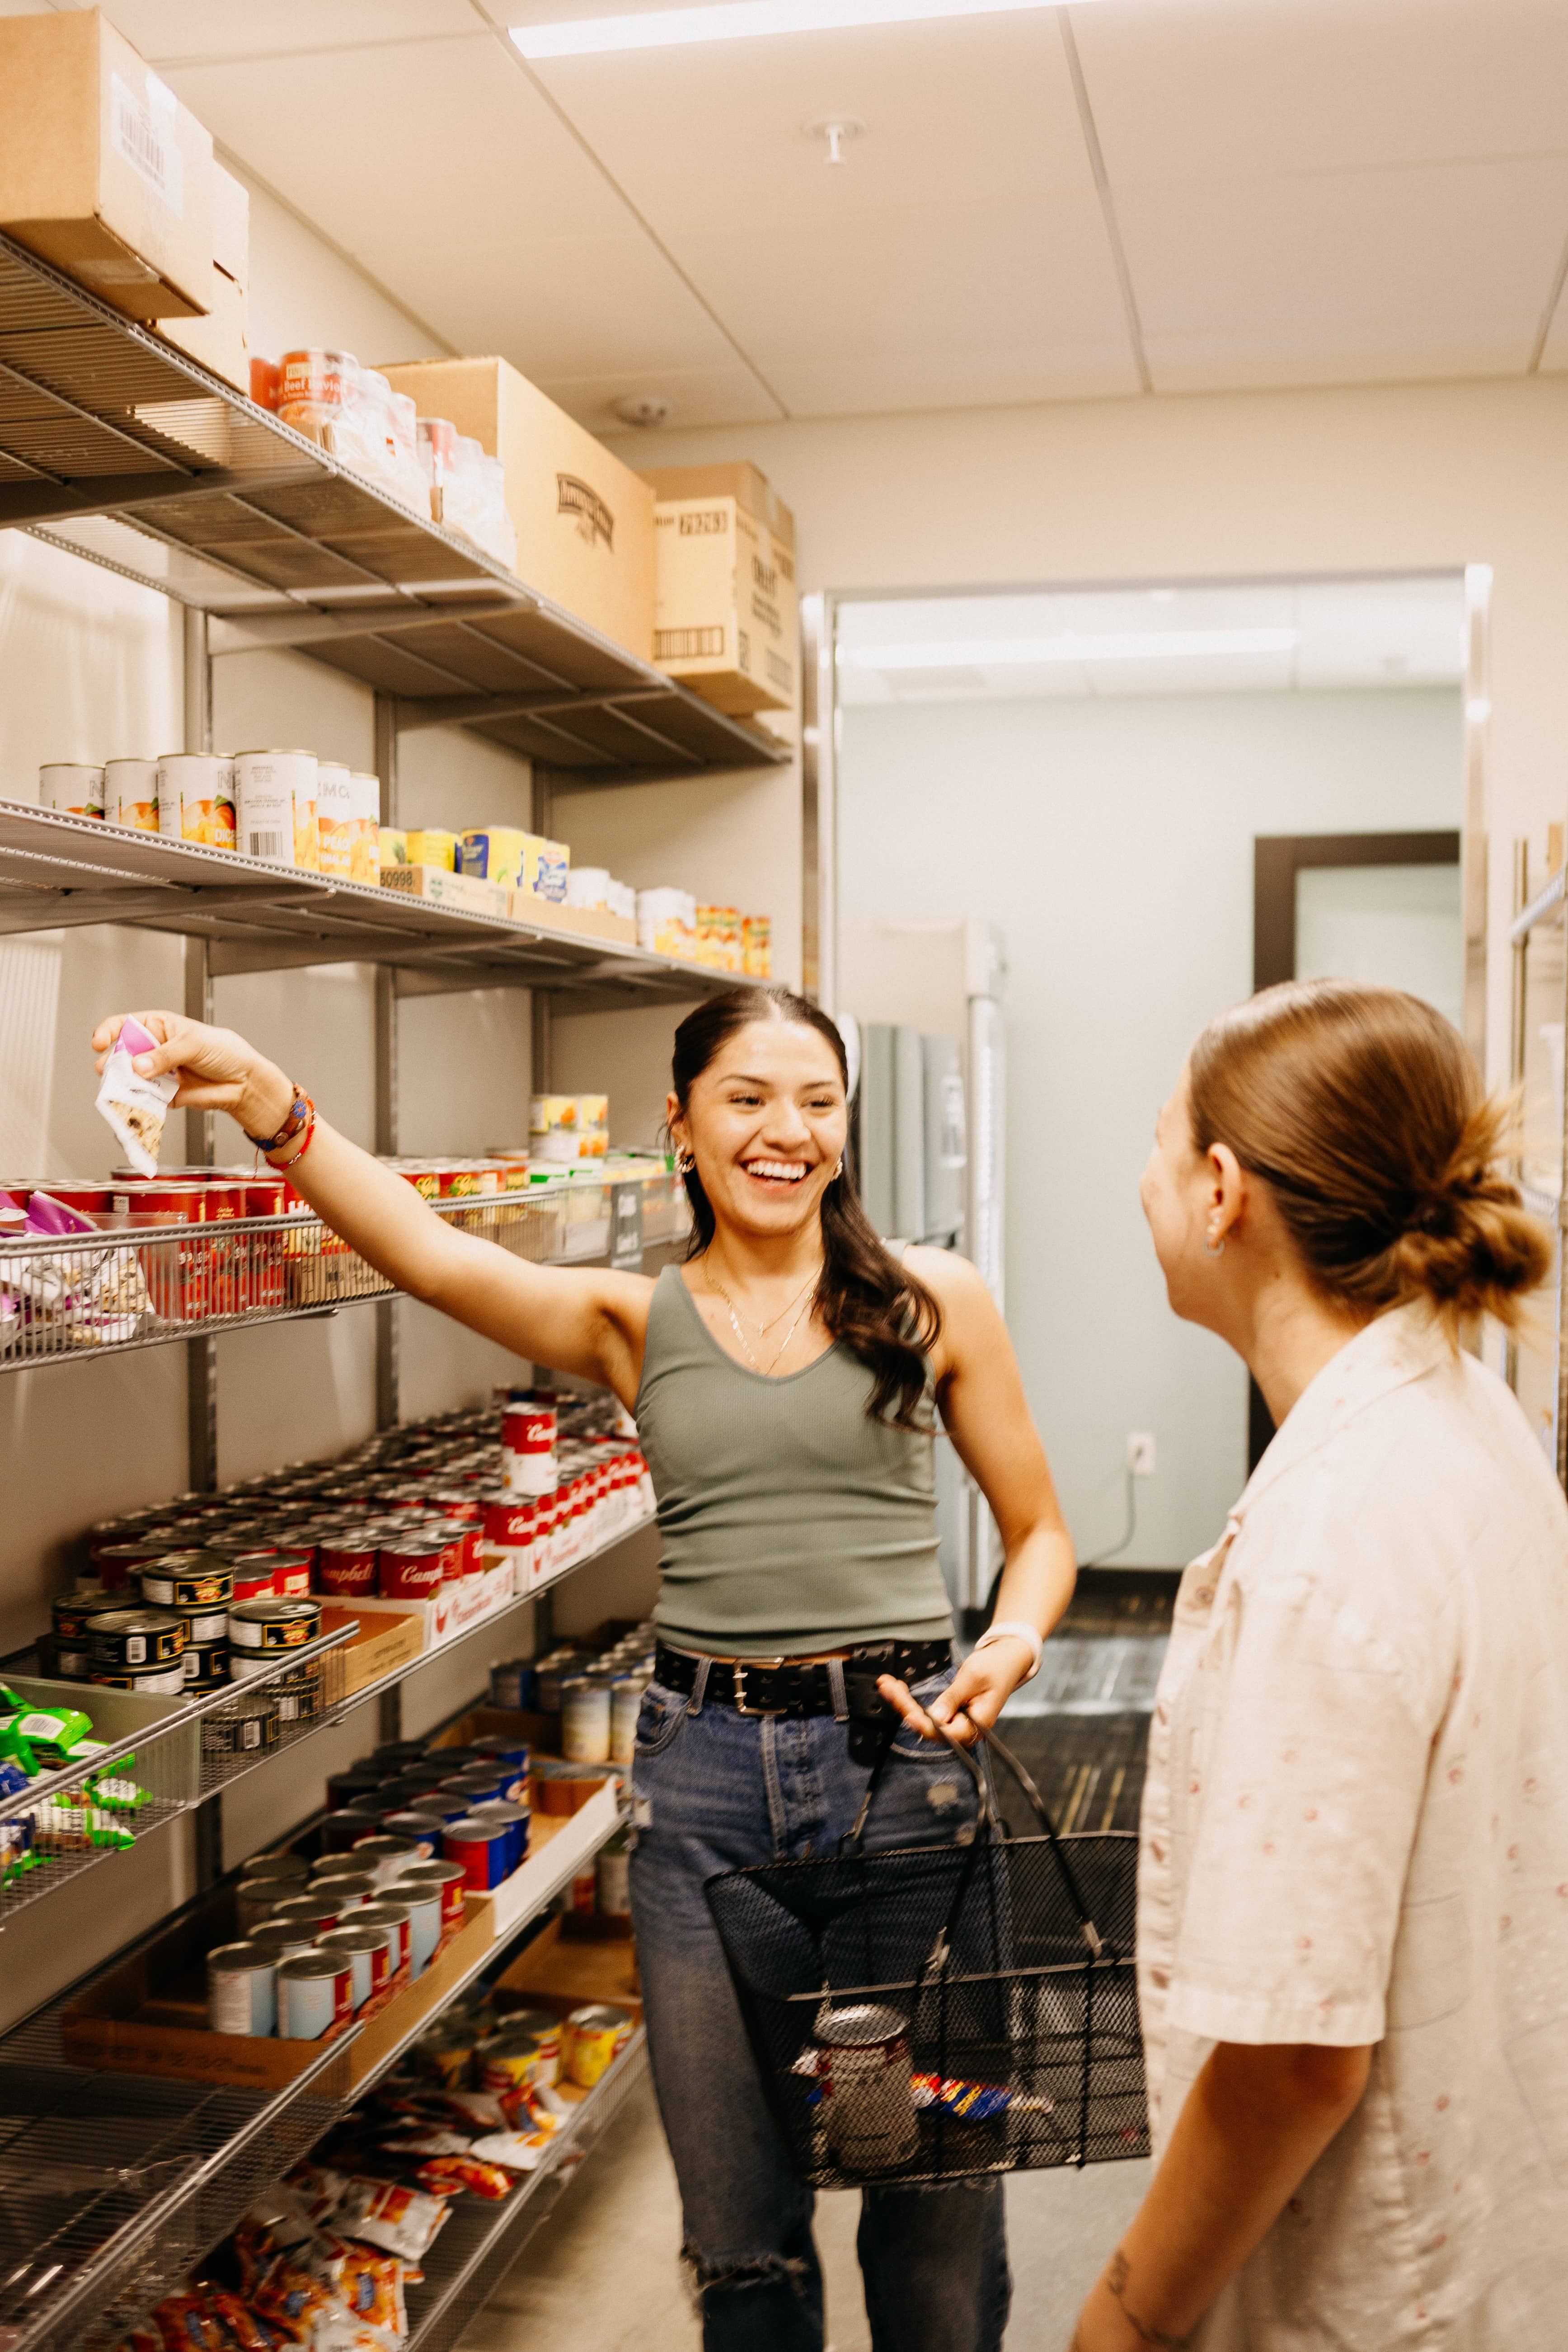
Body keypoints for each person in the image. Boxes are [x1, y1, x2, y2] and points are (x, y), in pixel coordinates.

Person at [92, 984, 1076, 2352]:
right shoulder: (633, 1319)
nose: (785, 1132)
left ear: (845, 1130)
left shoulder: (932, 1300)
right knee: (743, 2238)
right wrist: (268, 1094)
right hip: (706, 1790)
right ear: (681, 1126)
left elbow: (1039, 1537)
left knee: (929, 2212)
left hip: (902, 1777)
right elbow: (430, 1255)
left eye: (816, 1101)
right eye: (748, 1099)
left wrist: (1013, 1642)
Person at [1064, 980, 1568, 2352]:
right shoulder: (1466, 1417)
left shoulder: (1331, 1536)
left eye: (1161, 1140)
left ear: (1222, 1189)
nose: (1143, 1179)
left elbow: (1295, 2062)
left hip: (1380, 2290)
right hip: (1493, 2230)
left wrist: (1125, 2321)